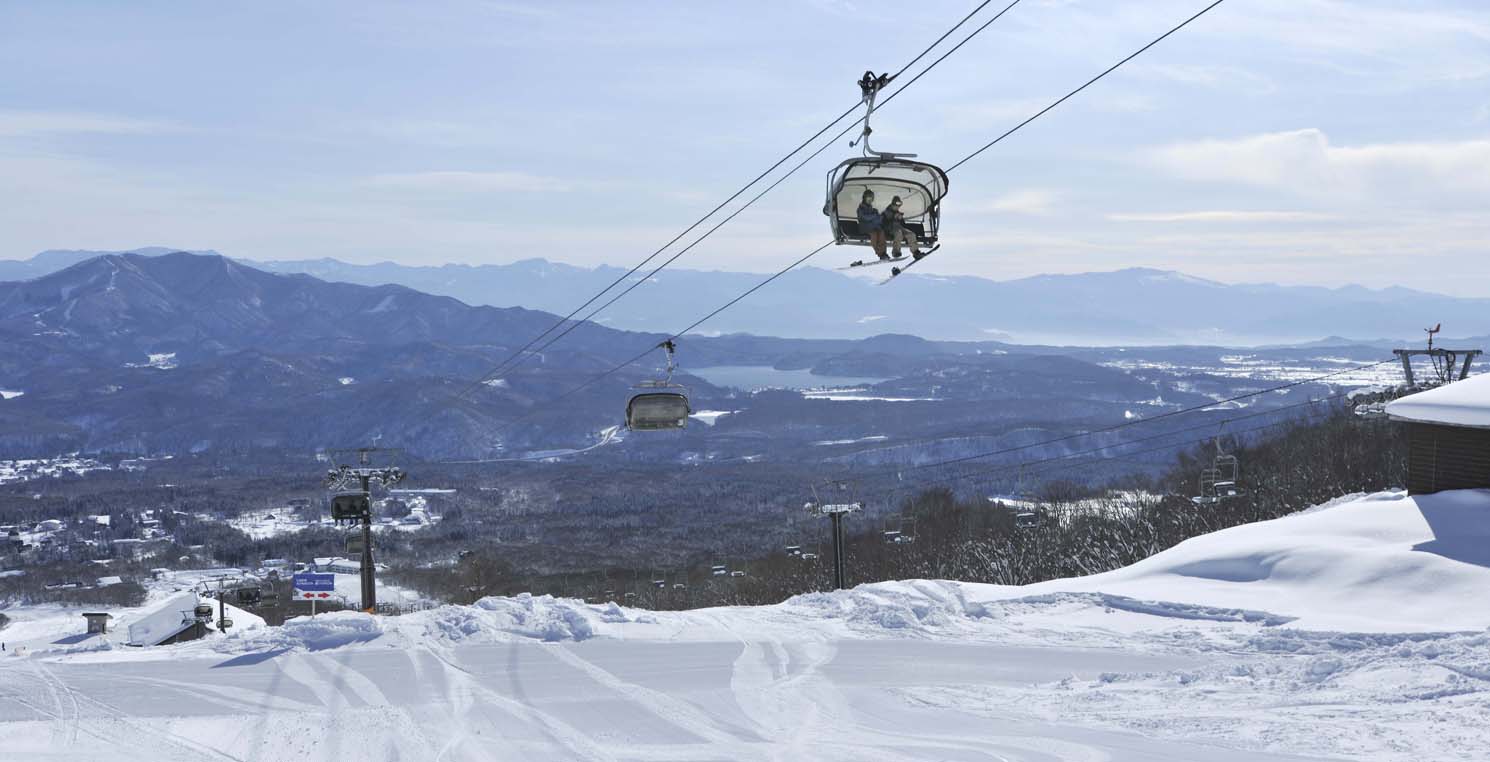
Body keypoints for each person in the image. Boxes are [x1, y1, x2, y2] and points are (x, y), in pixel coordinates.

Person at [855, 189, 889, 260]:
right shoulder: (860, 209)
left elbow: (879, 219)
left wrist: (876, 218)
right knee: (874, 234)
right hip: (865, 228)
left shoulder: (874, 210)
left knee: (881, 232)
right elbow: (865, 218)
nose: (870, 199)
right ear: (864, 198)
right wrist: (874, 217)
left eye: (871, 197)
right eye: (868, 197)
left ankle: (884, 253)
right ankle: (880, 253)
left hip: (874, 227)